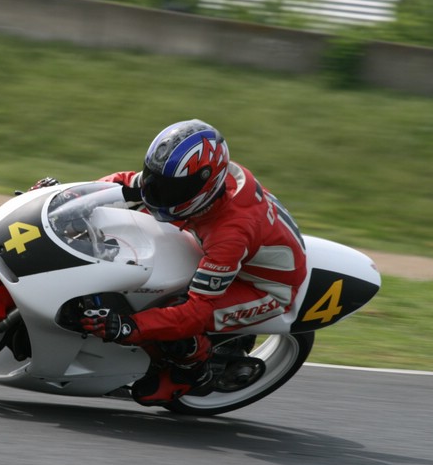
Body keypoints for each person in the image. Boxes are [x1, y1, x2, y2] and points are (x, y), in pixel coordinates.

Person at [34, 119, 307, 406]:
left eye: (170, 189)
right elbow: (126, 184)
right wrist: (67, 198)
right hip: (220, 249)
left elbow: (196, 311)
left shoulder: (230, 232)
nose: (157, 193)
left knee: (171, 311)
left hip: (265, 288)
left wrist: (127, 326)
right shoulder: (188, 184)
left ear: (205, 186)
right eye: (156, 180)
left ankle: (191, 370)